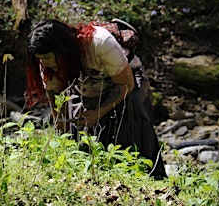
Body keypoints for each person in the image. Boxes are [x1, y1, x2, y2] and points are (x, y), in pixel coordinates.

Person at [26, 19, 167, 179]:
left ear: (62, 49)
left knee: (129, 129)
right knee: (81, 133)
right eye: (40, 59)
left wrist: (98, 113)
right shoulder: (47, 64)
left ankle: (145, 180)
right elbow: (57, 101)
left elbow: (126, 84)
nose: (44, 63)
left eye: (46, 57)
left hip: (125, 84)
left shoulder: (100, 43)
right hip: (87, 88)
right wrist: (62, 137)